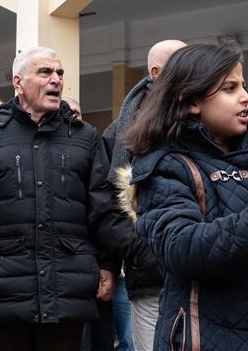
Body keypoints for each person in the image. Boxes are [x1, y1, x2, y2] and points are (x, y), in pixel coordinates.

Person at [126, 43, 248, 350]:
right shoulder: (166, 166)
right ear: (192, 100)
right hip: (202, 337)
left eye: (243, 86)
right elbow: (183, 250)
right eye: (230, 88)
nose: (245, 96)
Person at [0, 47, 122, 351]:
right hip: (5, 292)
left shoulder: (85, 137)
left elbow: (104, 207)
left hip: (69, 289)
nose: (56, 80)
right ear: (18, 82)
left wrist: (107, 262)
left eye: (59, 73)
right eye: (45, 72)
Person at [105, 39, 186, 351]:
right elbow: (108, 200)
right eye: (180, 62)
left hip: (201, 270)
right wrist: (139, 247)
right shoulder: (120, 132)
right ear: (156, 72)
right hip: (149, 272)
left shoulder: (207, 120)